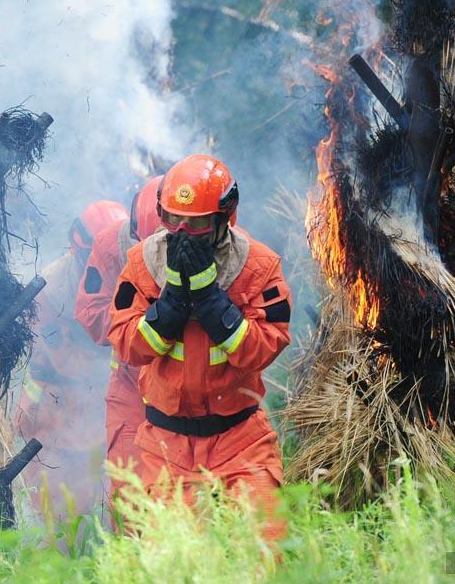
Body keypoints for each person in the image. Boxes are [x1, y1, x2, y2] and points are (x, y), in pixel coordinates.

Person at [107, 154, 292, 539]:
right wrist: (171, 303)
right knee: (172, 565)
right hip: (165, 447)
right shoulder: (142, 264)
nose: (182, 231)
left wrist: (211, 299)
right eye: (173, 220)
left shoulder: (257, 265)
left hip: (240, 442)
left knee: (265, 551)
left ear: (225, 218)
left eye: (196, 223)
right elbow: (127, 344)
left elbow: (265, 347)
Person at [15, 200, 128, 516]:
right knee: (58, 514)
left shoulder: (132, 273)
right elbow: (54, 359)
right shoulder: (52, 290)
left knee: (120, 508)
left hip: (111, 409)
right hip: (60, 410)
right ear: (79, 251)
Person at [74, 176, 164, 499]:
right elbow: (90, 313)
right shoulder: (111, 246)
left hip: (195, 398)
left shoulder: (223, 246)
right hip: (131, 393)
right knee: (131, 501)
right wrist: (140, 322)